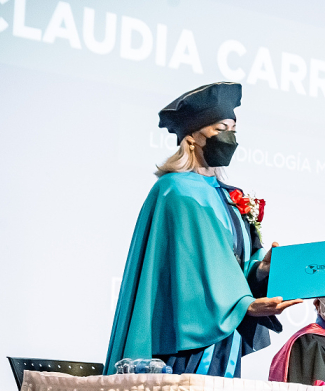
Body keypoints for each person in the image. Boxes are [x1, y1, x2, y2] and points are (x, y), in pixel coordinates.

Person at [104, 82, 302, 376]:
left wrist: (261, 269)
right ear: (192, 137)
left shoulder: (228, 195)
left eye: (233, 129)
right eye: (221, 128)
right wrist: (243, 304)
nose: (229, 137)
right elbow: (188, 274)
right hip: (187, 341)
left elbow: (231, 264)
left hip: (224, 337)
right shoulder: (176, 190)